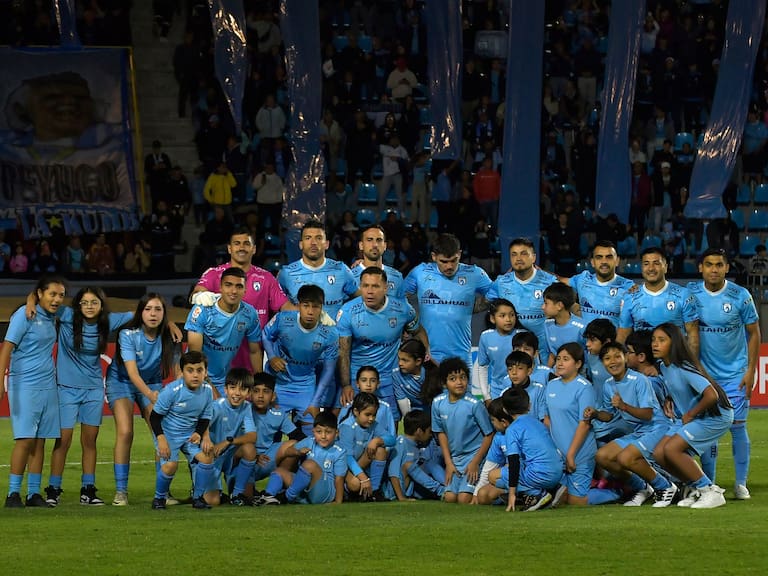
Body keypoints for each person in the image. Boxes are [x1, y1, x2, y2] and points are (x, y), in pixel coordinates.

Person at [33, 287, 133, 506]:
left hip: (93, 390)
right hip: (66, 388)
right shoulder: (67, 316)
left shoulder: (108, 321)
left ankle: (88, 490)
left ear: (101, 304)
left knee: (90, 441)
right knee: (63, 441)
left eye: (94, 302)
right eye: (85, 302)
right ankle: (54, 489)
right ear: (78, 305)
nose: (89, 306)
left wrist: (171, 323)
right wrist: (32, 301)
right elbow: (41, 300)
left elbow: (141, 313)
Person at [687, 248, 760, 499]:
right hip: (704, 377)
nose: (714, 269)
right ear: (701, 268)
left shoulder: (740, 295)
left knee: (738, 427)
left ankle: (741, 484)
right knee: (709, 429)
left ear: (726, 267)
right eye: (709, 264)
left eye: (719, 264)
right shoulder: (691, 294)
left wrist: (750, 371)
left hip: (735, 375)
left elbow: (754, 333)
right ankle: (710, 482)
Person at [105, 293, 179, 506]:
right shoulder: (127, 334)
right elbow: (132, 373)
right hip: (122, 382)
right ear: (140, 312)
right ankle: (121, 492)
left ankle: (162, 492)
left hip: (153, 382)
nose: (153, 314)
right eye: (148, 309)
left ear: (164, 314)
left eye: (158, 309)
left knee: (162, 432)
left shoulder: (169, 335)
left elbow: (178, 370)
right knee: (126, 431)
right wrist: (151, 396)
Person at [583, 342, 678, 508]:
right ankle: (643, 488)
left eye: (617, 356)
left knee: (625, 457)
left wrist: (624, 406)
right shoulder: (608, 384)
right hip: (640, 431)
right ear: (602, 362)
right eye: (607, 358)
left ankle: (666, 487)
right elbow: (609, 415)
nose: (613, 361)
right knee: (602, 456)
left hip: (657, 428)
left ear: (625, 357)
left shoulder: (639, 380)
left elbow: (648, 414)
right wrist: (596, 414)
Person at [651, 323, 734, 509]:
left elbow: (711, 395)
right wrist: (670, 398)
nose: (655, 344)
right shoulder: (664, 367)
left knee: (672, 450)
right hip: (695, 416)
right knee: (658, 454)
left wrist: (690, 413)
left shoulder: (684, 367)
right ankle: (695, 488)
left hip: (715, 417)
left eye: (661, 340)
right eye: (653, 340)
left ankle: (709, 491)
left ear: (674, 344)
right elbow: (678, 387)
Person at [1, 275, 66, 508]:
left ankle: (33, 494)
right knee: (25, 440)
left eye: (61, 295)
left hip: (48, 385)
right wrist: (0, 381)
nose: (57, 299)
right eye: (52, 294)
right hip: (25, 384)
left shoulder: (52, 317)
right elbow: (6, 349)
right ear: (40, 294)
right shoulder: (23, 315)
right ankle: (12, 494)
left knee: (40, 441)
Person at [192, 227, 290, 371]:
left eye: (246, 243)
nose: (241, 247)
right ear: (229, 248)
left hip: (253, 352)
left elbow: (285, 306)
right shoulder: (214, 274)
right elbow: (197, 293)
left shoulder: (266, 278)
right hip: (219, 354)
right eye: (237, 243)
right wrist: (201, 296)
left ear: (254, 249)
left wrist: (314, 315)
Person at [337, 267, 427, 417]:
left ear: (386, 288)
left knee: (390, 425)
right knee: (357, 426)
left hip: (390, 379)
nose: (369, 291)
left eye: (375, 286)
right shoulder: (348, 312)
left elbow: (418, 331)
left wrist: (425, 357)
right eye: (365, 286)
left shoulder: (402, 310)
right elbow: (343, 353)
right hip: (359, 379)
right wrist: (346, 385)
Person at [404, 233, 492, 370]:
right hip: (427, 356)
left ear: (460, 254)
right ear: (434, 257)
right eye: (443, 261)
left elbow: (497, 295)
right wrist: (410, 323)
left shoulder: (475, 274)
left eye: (453, 260)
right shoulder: (420, 272)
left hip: (461, 356)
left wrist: (470, 308)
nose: (449, 266)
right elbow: (398, 300)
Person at [261, 284, 338, 435]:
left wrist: (316, 402)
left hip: (305, 385)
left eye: (315, 307)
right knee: (271, 432)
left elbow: (329, 369)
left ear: (322, 307)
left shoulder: (330, 333)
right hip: (279, 383)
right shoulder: (283, 319)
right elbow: (265, 335)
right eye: (306, 305)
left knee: (310, 433)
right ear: (298, 305)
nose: (310, 311)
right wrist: (272, 357)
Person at [150, 350, 215, 510]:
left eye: (199, 370)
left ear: (205, 372)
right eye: (190, 370)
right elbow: (154, 417)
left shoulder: (207, 390)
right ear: (182, 372)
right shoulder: (171, 391)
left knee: (207, 458)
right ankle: (159, 498)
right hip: (168, 435)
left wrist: (199, 433)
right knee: (170, 466)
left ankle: (198, 497)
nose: (195, 375)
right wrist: (161, 439)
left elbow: (205, 416)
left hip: (190, 435)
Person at [185, 267, 263, 396]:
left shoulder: (250, 314)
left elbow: (254, 351)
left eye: (239, 286)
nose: (233, 291)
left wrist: (260, 384)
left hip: (223, 379)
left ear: (245, 290)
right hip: (194, 374)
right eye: (228, 285)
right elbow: (194, 357)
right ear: (220, 287)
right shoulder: (203, 310)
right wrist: (211, 388)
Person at [431, 358, 494, 504]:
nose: (459, 382)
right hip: (454, 459)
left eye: (463, 378)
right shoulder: (437, 403)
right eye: (453, 379)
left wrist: (475, 462)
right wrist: (448, 462)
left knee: (463, 499)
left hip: (474, 456)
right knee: (450, 498)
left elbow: (489, 435)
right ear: (444, 383)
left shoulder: (474, 405)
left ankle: (491, 495)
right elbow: (441, 433)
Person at [617, 247, 699, 357]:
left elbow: (693, 337)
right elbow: (623, 336)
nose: (651, 268)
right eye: (646, 264)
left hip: (675, 364)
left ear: (665, 267)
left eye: (656, 263)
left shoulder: (683, 295)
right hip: (644, 366)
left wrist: (690, 367)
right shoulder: (630, 297)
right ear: (642, 268)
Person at [258, 411, 347, 505]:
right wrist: (297, 452)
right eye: (319, 431)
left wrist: (338, 501)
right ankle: (268, 497)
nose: (323, 436)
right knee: (280, 471)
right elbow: (288, 451)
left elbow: (339, 479)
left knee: (309, 464)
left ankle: (286, 497)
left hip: (323, 493)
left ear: (336, 433)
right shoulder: (309, 441)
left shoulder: (339, 451)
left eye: (328, 432)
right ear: (313, 431)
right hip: (305, 490)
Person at [545, 343, 596, 506]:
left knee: (576, 502)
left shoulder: (585, 387)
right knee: (559, 498)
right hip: (558, 454)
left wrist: (571, 455)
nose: (559, 363)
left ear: (578, 364)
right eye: (558, 358)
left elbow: (585, 424)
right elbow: (547, 418)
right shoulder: (551, 385)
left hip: (580, 452)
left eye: (566, 359)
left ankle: (616, 491)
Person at [277, 219, 358, 321]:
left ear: (327, 244)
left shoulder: (341, 270)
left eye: (319, 238)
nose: (313, 243)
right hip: (301, 335)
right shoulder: (286, 274)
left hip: (335, 335)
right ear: (301, 244)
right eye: (308, 238)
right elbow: (277, 305)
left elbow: (360, 298)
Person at [199, 368, 258, 506]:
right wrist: (207, 439)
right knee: (212, 502)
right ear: (225, 390)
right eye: (232, 388)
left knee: (249, 449)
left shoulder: (247, 407)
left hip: (229, 454)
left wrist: (228, 441)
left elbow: (252, 436)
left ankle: (236, 495)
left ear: (248, 393)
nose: (237, 393)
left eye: (243, 389)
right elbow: (202, 423)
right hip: (212, 455)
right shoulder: (217, 406)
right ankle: (202, 487)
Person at [487, 238, 557, 352]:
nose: (518, 258)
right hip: (513, 349)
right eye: (514, 255)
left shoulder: (550, 282)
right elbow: (484, 304)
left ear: (534, 257)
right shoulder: (501, 282)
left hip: (544, 349)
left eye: (523, 254)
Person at [500, 387, 564, 511]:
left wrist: (512, 494)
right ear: (529, 405)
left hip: (541, 475)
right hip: (558, 472)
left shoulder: (512, 429)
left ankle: (537, 494)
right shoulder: (537, 422)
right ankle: (554, 489)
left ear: (505, 410)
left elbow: (514, 462)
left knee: (495, 476)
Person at [250, 373, 306, 497]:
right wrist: (254, 455)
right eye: (256, 391)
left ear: (273, 396)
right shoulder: (244, 411)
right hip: (247, 460)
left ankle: (277, 486)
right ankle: (247, 489)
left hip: (267, 459)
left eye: (265, 391)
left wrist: (316, 446)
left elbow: (298, 436)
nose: (260, 395)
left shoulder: (278, 414)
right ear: (250, 393)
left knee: (294, 445)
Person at [559, 240, 634, 327]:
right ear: (592, 262)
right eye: (599, 257)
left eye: (609, 257)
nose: (604, 261)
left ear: (617, 261)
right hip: (585, 339)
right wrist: (540, 272)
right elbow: (557, 280)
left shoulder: (628, 287)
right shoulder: (583, 279)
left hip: (613, 339)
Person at [338, 392, 396, 500]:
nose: (371, 419)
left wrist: (377, 440)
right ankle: (347, 491)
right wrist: (363, 477)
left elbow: (392, 440)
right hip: (345, 467)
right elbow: (348, 457)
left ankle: (373, 491)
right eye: (367, 414)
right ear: (356, 411)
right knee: (355, 484)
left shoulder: (373, 425)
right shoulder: (347, 427)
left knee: (380, 449)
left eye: (374, 415)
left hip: (360, 464)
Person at [383, 410, 445, 501]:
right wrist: (401, 498)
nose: (431, 435)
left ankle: (450, 488)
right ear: (419, 431)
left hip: (412, 490)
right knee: (409, 465)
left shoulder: (417, 445)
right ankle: (441, 490)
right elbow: (393, 473)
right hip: (395, 492)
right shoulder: (400, 443)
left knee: (429, 463)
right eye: (429, 431)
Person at [476, 299, 527, 401]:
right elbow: (482, 367)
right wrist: (486, 397)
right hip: (497, 391)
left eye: (512, 315)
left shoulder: (523, 336)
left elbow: (533, 366)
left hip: (521, 390)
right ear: (492, 318)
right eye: (502, 315)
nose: (508, 319)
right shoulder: (486, 336)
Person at [351, 224, 405, 298]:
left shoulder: (397, 277)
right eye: (369, 240)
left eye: (379, 240)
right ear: (361, 245)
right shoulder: (349, 277)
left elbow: (402, 307)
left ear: (385, 246)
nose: (375, 244)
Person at [392, 338, 441, 418]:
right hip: (415, 414)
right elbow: (402, 401)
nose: (400, 363)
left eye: (405, 360)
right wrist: (409, 422)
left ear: (418, 361)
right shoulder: (396, 374)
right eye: (399, 359)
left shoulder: (433, 374)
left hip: (435, 413)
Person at [541, 282, 586, 366]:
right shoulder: (547, 324)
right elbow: (551, 354)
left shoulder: (582, 327)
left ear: (559, 305)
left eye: (546, 303)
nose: (542, 307)